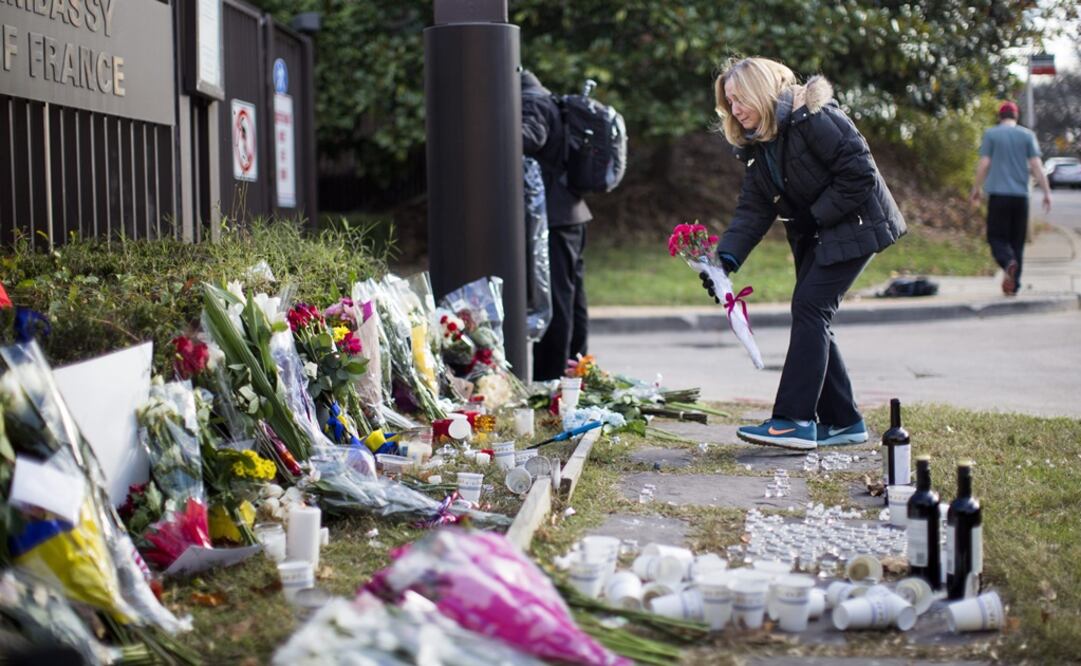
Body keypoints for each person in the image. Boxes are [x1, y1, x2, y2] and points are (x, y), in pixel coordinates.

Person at [709, 57, 906, 451]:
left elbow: (860, 175)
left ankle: (794, 420)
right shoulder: (759, 144)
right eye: (728, 103)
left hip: (859, 225)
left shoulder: (814, 116)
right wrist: (724, 261)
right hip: (818, 231)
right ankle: (844, 421)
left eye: (739, 99)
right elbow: (754, 208)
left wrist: (812, 217)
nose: (735, 109)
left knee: (810, 308)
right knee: (812, 313)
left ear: (760, 91)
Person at [521, 69, 592, 381]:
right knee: (573, 299)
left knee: (557, 300)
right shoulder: (547, 98)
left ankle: (550, 378)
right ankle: (575, 372)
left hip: (556, 216)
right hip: (571, 212)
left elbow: (530, 137)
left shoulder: (531, 101)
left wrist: (493, 123)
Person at [969, 101, 1052, 296]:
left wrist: (976, 188)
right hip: (1021, 197)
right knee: (1017, 242)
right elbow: (1036, 166)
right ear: (1016, 116)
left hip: (998, 195)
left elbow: (984, 164)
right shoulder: (1027, 136)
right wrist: (1047, 192)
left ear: (1000, 116)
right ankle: (1014, 286)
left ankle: (1007, 262)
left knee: (996, 236)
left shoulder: (992, 134)